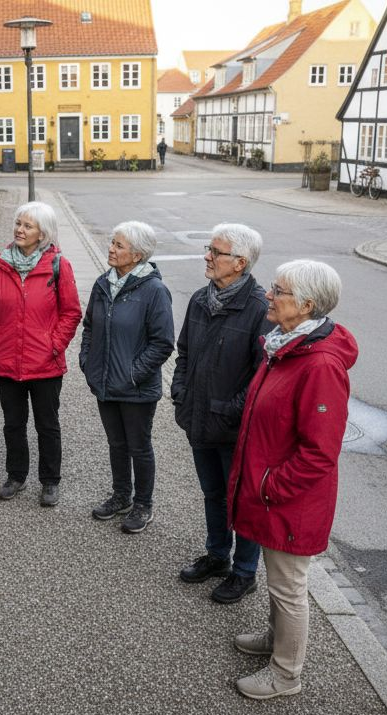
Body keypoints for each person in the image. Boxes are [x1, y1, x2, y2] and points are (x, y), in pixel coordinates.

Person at [227, 259, 356, 699]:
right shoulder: (284, 344)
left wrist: (268, 487)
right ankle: (274, 639)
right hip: (274, 495)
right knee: (277, 580)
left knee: (288, 587)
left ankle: (286, 675)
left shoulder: (319, 365)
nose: (268, 294)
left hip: (290, 500)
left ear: (306, 305)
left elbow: (320, 452)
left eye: (278, 290)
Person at [172, 223, 271, 604]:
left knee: (242, 502)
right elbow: (184, 353)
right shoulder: (200, 299)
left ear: (240, 263)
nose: (207, 257)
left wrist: (230, 411)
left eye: (216, 251)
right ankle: (217, 555)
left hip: (234, 429)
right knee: (212, 494)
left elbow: (262, 376)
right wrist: (180, 391)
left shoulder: (259, 309)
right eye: (208, 249)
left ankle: (244, 573)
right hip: (198, 418)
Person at [0, 202, 83, 507]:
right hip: (6, 360)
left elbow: (71, 313)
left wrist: (54, 345)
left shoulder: (58, 265)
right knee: (13, 423)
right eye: (18, 224)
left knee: (47, 425)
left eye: (28, 226)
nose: (19, 230)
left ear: (43, 233)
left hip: (45, 364)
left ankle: (50, 481)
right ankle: (16, 476)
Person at [80, 221, 174, 534]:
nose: (111, 249)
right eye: (112, 242)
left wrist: (133, 374)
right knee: (116, 443)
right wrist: (88, 362)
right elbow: (90, 326)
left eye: (119, 245)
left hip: (136, 388)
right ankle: (121, 495)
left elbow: (163, 343)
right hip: (104, 382)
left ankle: (143, 503)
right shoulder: (102, 283)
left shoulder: (154, 291)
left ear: (136, 255)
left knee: (139, 446)